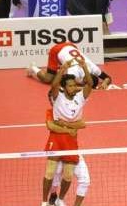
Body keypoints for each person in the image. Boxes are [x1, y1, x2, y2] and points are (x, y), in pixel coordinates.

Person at [41, 58, 92, 206]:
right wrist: (62, 70)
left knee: (68, 176)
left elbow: (89, 84)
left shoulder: (80, 98)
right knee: (50, 172)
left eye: (74, 85)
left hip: (71, 142)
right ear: (64, 87)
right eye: (70, 85)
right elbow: (54, 84)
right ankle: (44, 202)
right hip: (56, 140)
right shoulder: (58, 98)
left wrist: (84, 67)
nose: (73, 87)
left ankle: (60, 199)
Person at [45, 92, 90, 206]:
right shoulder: (51, 112)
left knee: (85, 180)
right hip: (58, 150)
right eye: (53, 100)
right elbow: (51, 126)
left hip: (73, 151)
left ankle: (60, 200)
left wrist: (64, 124)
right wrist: (69, 129)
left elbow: (82, 124)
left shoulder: (71, 111)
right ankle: (53, 198)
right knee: (55, 177)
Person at [27, 42, 112, 89]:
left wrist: (105, 82)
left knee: (58, 74)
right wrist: (81, 88)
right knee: (48, 79)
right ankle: (33, 67)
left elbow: (108, 78)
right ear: (85, 81)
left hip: (71, 46)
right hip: (56, 51)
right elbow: (64, 84)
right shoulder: (75, 72)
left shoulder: (94, 69)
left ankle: (51, 70)